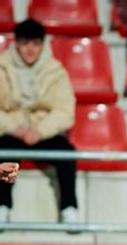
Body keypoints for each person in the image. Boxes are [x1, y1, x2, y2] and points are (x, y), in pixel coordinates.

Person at [0, 19, 78, 225]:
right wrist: (13, 128)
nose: (30, 49)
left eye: (35, 44)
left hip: (44, 132)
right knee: (5, 154)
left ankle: (69, 207)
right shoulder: (1, 68)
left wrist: (40, 131)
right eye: (25, 43)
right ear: (16, 43)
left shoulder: (56, 71)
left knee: (67, 154)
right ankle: (2, 205)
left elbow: (65, 111)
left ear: (43, 44)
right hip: (11, 132)